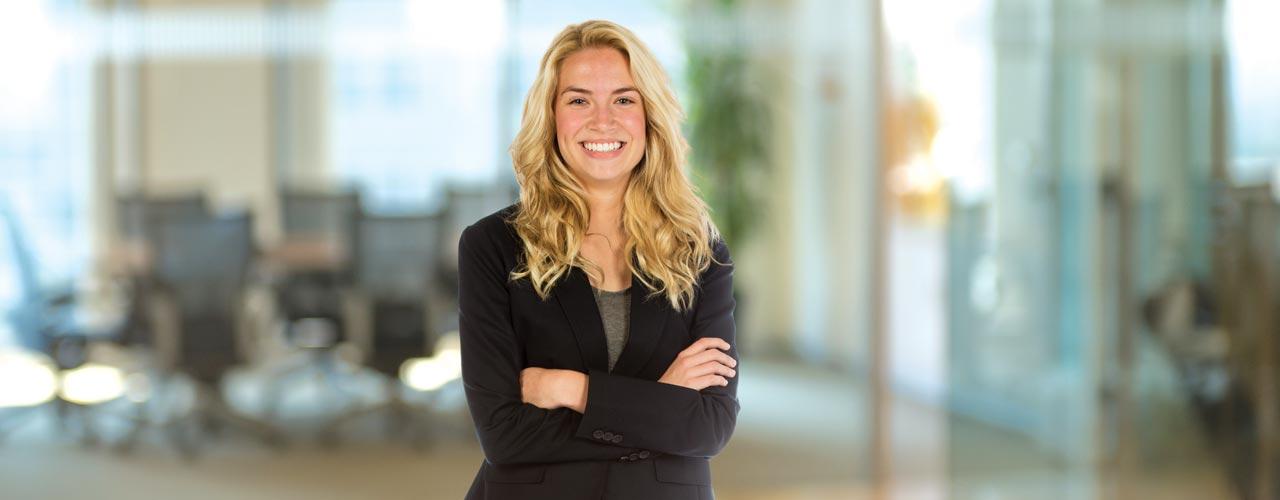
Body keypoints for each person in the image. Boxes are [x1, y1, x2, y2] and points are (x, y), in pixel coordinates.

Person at [459, 19, 739, 500]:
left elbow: (709, 427)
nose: (602, 121)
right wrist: (659, 401)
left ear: (650, 118)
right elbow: (504, 434)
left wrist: (572, 389)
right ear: (551, 117)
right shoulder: (493, 246)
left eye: (624, 100)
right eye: (578, 99)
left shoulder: (698, 251)